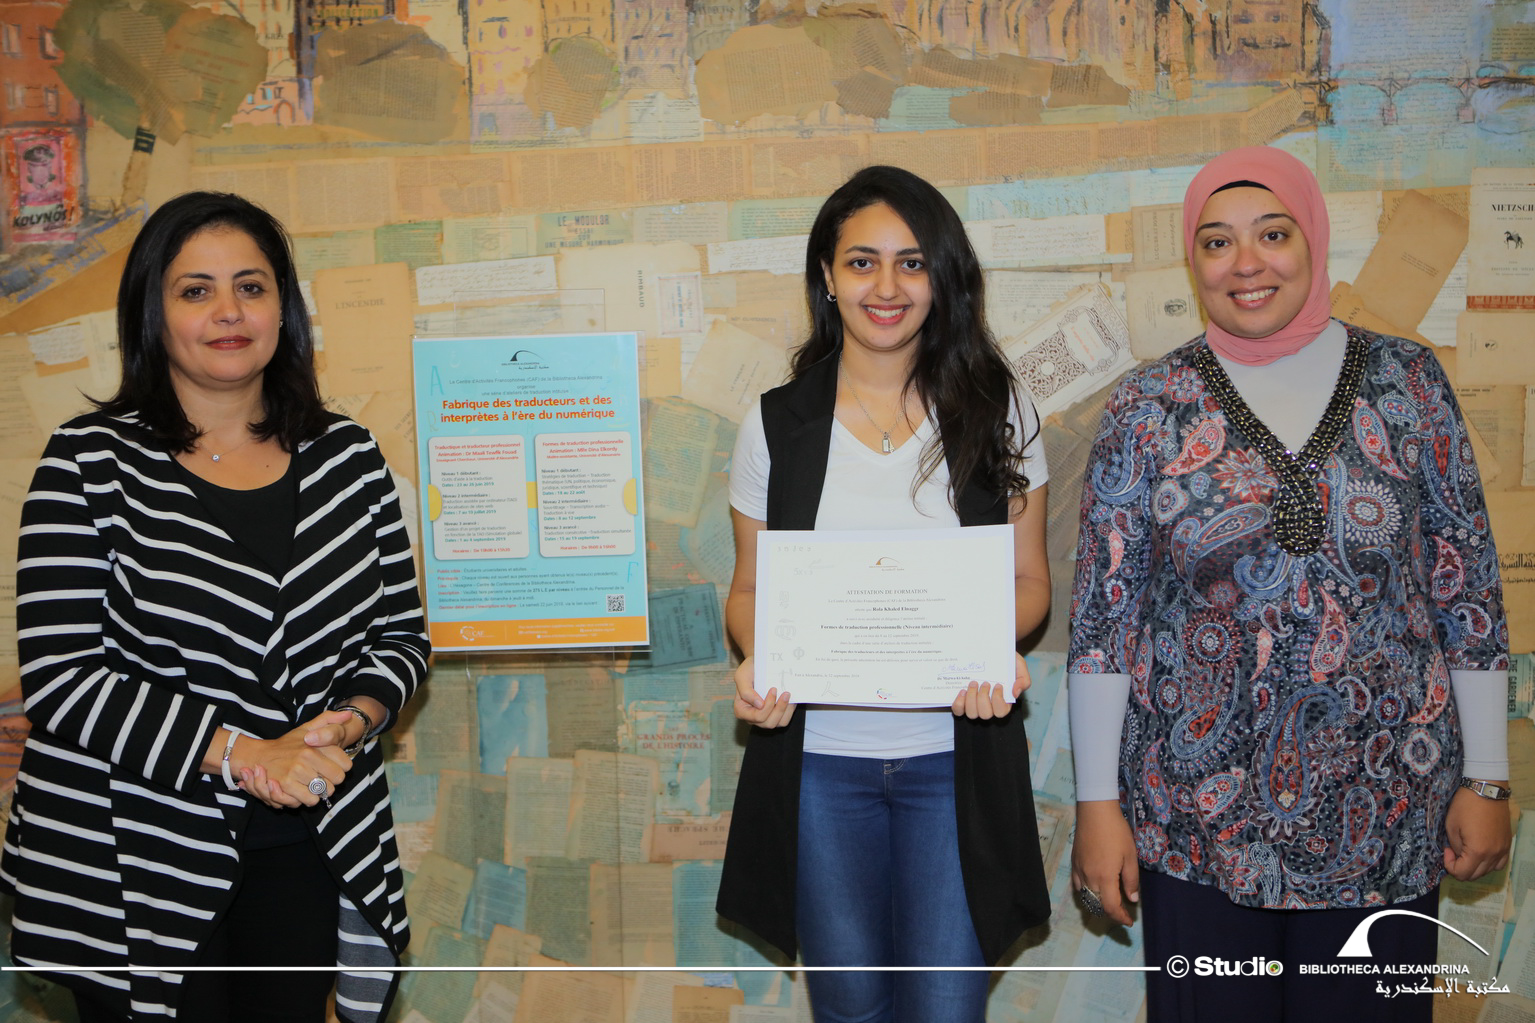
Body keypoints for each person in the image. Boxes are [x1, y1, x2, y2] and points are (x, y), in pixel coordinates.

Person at [1067, 146, 1510, 1022]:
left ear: (1310, 238)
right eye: (1216, 242)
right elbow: (1100, 624)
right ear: (1192, 260)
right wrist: (1095, 806)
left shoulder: (1407, 381)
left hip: (1386, 807)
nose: (1245, 263)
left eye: (1271, 234)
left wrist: (1488, 779)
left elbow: (1467, 588)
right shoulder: (1146, 406)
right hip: (1196, 823)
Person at [6, 191, 429, 1022]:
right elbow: (61, 678)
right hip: (132, 850)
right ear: (152, 313)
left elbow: (400, 635)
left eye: (251, 286)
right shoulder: (86, 463)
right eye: (195, 290)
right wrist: (242, 753)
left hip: (308, 838)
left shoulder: (348, 456)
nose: (228, 312)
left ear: (284, 307)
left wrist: (348, 722)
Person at [715, 165, 1052, 1023]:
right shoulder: (775, 425)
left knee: (945, 1007)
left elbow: (1028, 584)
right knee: (851, 1008)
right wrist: (761, 656)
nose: (887, 287)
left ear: (943, 277)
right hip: (820, 769)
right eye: (861, 262)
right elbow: (748, 589)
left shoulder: (998, 410)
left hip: (955, 762)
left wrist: (990, 646)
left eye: (912, 262)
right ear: (826, 278)